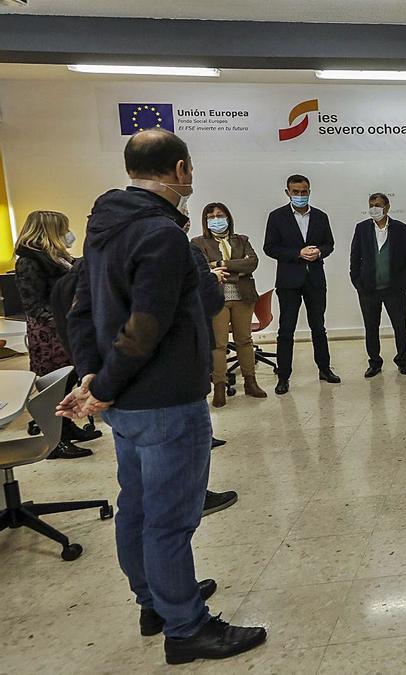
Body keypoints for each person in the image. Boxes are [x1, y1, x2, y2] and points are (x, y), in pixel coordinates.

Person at [58, 128, 266, 664]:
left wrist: (91, 378)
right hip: (164, 400)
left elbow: (82, 310)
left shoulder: (103, 224)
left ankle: (156, 601)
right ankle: (187, 628)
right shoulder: (163, 234)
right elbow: (145, 327)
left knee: (138, 505)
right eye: (189, 168)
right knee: (171, 519)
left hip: (125, 401)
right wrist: (100, 388)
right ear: (179, 171)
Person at [13, 210, 102, 459]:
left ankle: (67, 427)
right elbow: (33, 304)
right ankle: (56, 440)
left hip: (65, 329)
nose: (68, 233)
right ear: (49, 230)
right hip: (49, 334)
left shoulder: (57, 258)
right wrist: (62, 323)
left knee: (69, 381)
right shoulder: (29, 261)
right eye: (63, 228)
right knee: (55, 387)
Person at [183, 217, 240, 519]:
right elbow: (209, 295)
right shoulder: (189, 247)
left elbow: (250, 262)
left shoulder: (105, 247)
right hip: (178, 356)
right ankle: (193, 498)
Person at [263, 174, 339, 395]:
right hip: (289, 281)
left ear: (309, 191)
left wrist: (319, 252)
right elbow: (270, 248)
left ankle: (324, 369)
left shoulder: (321, 217)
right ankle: (284, 376)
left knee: (319, 327)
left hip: (315, 279)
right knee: (286, 330)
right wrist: (298, 253)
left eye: (303, 191)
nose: (300, 195)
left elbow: (329, 244)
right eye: (295, 192)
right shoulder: (277, 217)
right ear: (287, 193)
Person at [191, 203, 267, 405]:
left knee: (245, 340)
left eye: (220, 215)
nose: (216, 219)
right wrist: (236, 268)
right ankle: (219, 387)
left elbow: (252, 263)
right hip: (217, 299)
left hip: (243, 297)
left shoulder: (242, 240)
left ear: (228, 217)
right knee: (219, 344)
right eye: (211, 217)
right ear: (206, 221)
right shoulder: (198, 243)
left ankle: (250, 382)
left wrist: (220, 265)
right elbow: (201, 268)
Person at [349, 193, 406, 378]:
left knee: (400, 326)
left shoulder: (401, 229)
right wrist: (357, 282)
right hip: (368, 289)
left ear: (387, 206)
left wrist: (405, 283)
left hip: (395, 289)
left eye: (378, 205)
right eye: (371, 205)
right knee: (371, 327)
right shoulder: (361, 228)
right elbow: (355, 257)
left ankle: (402, 361)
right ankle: (374, 362)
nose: (374, 209)